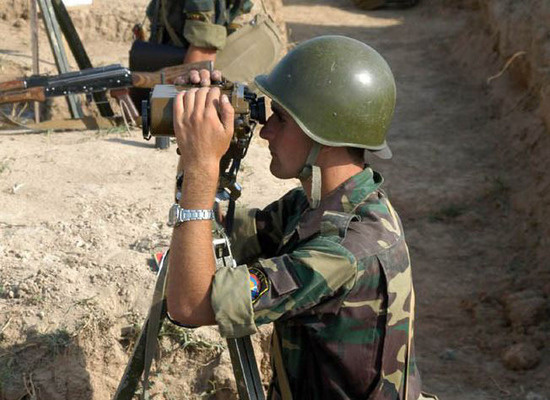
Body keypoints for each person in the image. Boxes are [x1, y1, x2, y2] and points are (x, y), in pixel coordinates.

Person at [166, 35, 433, 399]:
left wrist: (202, 166)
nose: (266, 131)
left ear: (324, 135)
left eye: (281, 118)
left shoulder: (344, 251)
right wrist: (199, 137)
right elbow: (212, 233)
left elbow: (190, 304)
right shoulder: (322, 205)